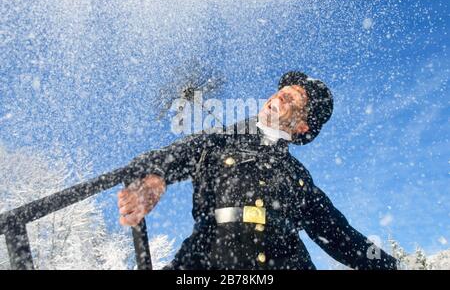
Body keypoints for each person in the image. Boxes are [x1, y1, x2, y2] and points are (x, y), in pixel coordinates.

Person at [117, 71, 398, 270]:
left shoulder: (297, 177)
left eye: (295, 98)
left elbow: (338, 234)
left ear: (303, 127)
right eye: (282, 92)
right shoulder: (219, 141)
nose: (282, 95)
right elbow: (167, 157)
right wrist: (154, 178)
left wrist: (393, 267)